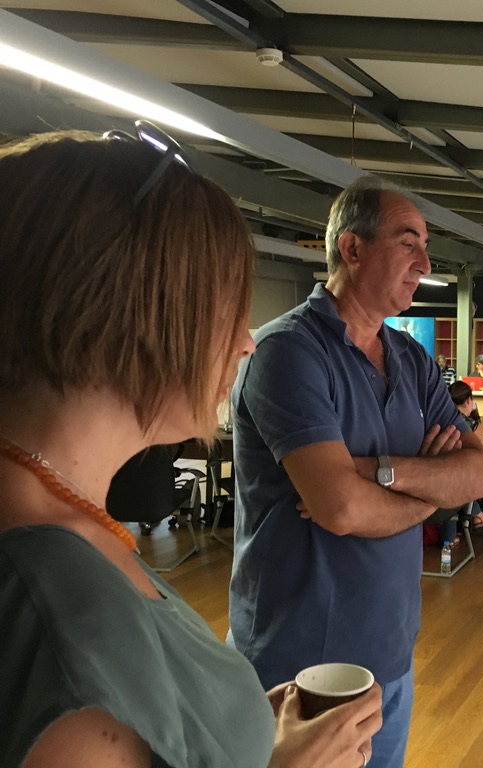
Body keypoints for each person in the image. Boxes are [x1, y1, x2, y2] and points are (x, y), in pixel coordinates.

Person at [0, 127, 382, 768]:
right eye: (225, 309)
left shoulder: (58, 517)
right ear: (129, 313)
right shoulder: (54, 605)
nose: (245, 341)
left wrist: (235, 731)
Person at [229, 175, 483, 768]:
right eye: (408, 242)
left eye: (426, 246)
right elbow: (342, 509)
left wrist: (378, 471)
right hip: (301, 665)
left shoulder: (412, 359)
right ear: (352, 248)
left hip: (390, 653)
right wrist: (432, 488)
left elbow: (476, 476)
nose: (425, 263)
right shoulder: (288, 351)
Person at [442, 380, 483, 537]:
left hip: (440, 474)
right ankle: (478, 515)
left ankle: (455, 533)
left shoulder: (442, 418)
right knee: (466, 478)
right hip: (460, 481)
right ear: (469, 400)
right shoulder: (472, 426)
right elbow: (479, 452)